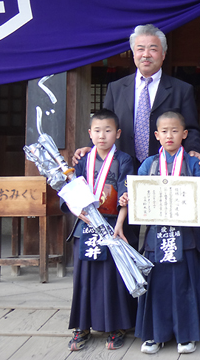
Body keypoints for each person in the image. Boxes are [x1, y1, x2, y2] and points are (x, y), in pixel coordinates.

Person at [126, 110, 200, 355]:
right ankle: (156, 334)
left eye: (175, 131)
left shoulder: (193, 163)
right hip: (157, 236)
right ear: (156, 135)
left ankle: (187, 335)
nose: (169, 135)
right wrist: (129, 197)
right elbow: (137, 192)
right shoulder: (149, 164)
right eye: (164, 131)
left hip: (186, 237)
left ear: (184, 134)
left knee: (185, 285)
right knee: (158, 286)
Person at [74, 24, 200, 170]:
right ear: (133, 53)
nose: (146, 54)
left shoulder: (182, 89)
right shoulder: (116, 88)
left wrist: (194, 150)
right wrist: (90, 147)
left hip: (165, 167)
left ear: (163, 54)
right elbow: (104, 123)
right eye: (140, 49)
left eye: (153, 49)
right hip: (120, 167)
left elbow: (191, 129)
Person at [64, 109, 137, 351]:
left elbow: (128, 195)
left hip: (112, 226)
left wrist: (119, 225)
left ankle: (117, 327)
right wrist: (77, 212)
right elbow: (71, 192)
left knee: (112, 278)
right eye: (97, 131)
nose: (102, 136)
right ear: (90, 133)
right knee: (84, 279)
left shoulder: (124, 160)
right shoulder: (83, 160)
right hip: (85, 227)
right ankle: (82, 327)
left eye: (107, 131)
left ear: (117, 133)